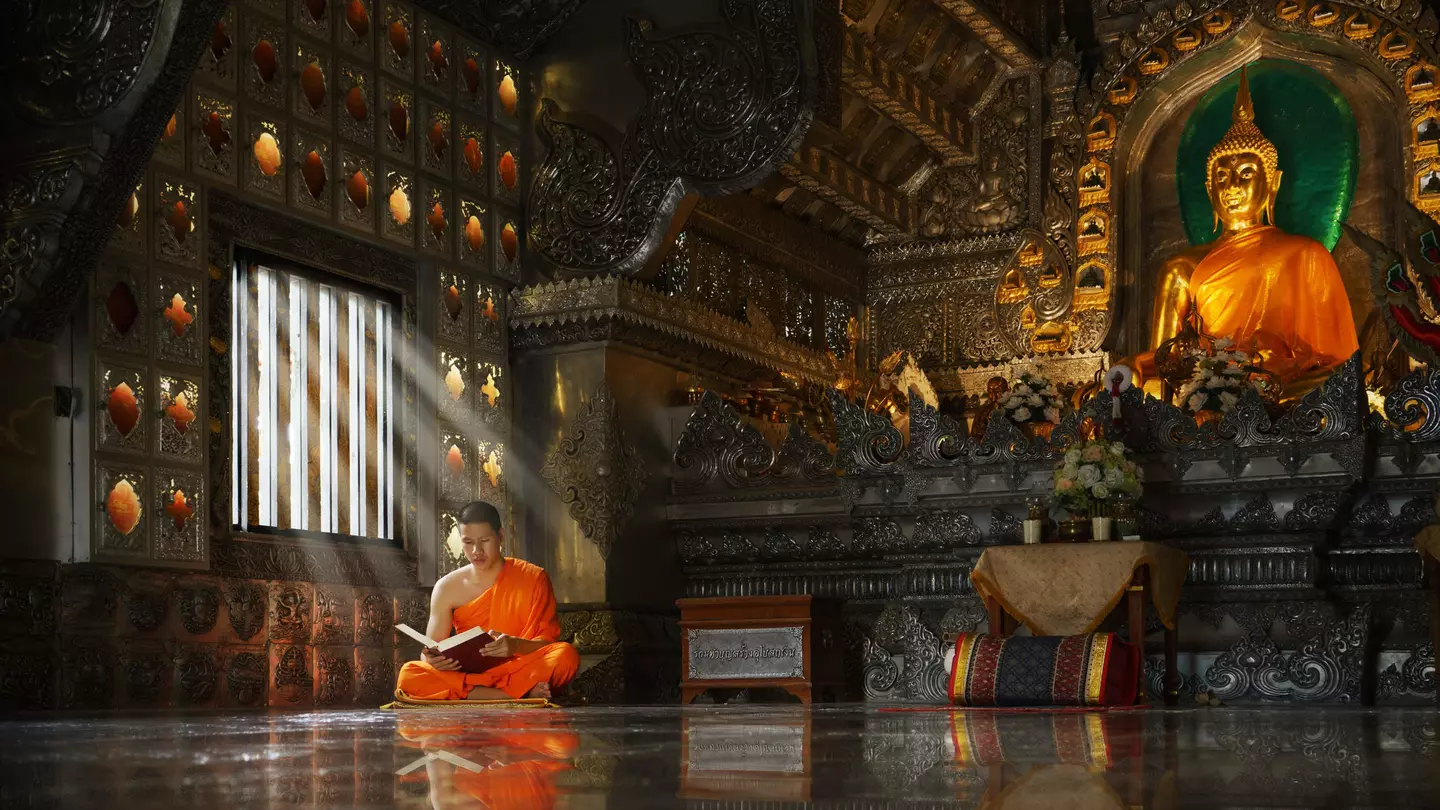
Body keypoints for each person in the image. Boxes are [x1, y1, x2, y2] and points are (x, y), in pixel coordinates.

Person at [396, 501, 579, 701]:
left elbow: (547, 644)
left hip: (519, 669)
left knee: (566, 655)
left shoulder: (533, 578)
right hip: (470, 675)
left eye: (484, 540)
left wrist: (516, 646)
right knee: (409, 673)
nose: (476, 550)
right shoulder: (447, 587)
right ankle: (515, 695)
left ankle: (495, 694)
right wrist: (432, 661)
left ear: (500, 536)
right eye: (468, 542)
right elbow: (431, 650)